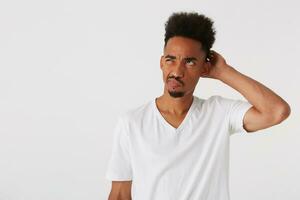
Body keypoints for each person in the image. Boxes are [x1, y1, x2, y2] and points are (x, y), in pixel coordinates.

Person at [105, 11, 291, 200]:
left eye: (190, 62)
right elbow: (120, 194)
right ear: (162, 62)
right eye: (171, 59)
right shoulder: (132, 122)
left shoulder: (219, 113)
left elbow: (277, 111)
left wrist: (224, 72)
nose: (177, 71)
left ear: (205, 68)